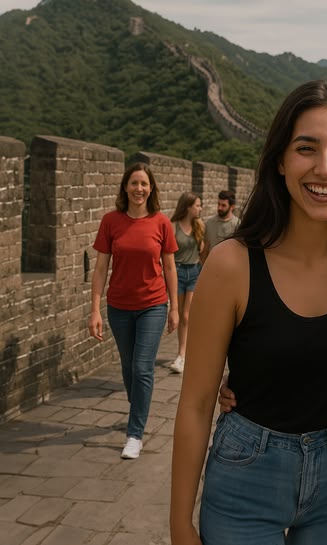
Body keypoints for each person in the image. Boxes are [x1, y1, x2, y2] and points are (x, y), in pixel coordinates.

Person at [170, 80, 327, 545]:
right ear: (281, 160)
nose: (326, 168)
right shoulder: (233, 265)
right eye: (306, 148)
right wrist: (180, 523)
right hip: (247, 475)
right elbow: (198, 401)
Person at [88, 162, 179, 460]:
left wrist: (174, 308)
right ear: (125, 187)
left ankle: (134, 434)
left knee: (142, 368)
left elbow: (169, 267)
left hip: (152, 305)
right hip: (119, 307)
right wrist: (95, 310)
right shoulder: (111, 221)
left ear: (151, 189)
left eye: (144, 184)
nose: (139, 189)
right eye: (134, 183)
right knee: (128, 368)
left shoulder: (161, 223)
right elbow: (101, 267)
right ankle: (138, 406)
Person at [169, 192, 205, 374]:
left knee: (186, 316)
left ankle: (183, 354)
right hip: (178, 272)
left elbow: (202, 251)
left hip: (194, 272)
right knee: (180, 314)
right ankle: (182, 353)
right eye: (197, 205)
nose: (200, 208)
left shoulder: (199, 226)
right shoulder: (173, 226)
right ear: (188, 206)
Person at [199, 190, 239, 264]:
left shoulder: (238, 225)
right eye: (218, 204)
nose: (219, 208)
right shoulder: (209, 223)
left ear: (232, 207)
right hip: (212, 266)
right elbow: (205, 248)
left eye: (223, 205)